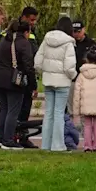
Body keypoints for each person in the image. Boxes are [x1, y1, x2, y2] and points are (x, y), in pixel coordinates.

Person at [33, 15, 79, 151]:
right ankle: (58, 145)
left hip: (48, 81)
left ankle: (46, 144)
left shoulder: (46, 40)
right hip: (63, 82)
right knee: (59, 113)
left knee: (48, 113)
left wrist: (44, 72)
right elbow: (69, 67)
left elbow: (37, 62)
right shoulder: (68, 43)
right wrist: (73, 76)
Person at [0, 18, 36, 150]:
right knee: (13, 111)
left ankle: (0, 138)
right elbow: (28, 66)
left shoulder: (4, 40)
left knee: (4, 109)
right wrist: (33, 85)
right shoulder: (23, 43)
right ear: (26, 32)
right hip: (13, 80)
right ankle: (8, 140)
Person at [16, 6, 41, 149]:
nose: (33, 22)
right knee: (17, 108)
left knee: (25, 108)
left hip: (28, 74)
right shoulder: (15, 30)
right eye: (31, 20)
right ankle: (16, 135)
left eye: (35, 20)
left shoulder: (32, 32)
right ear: (24, 17)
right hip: (20, 75)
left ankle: (22, 135)